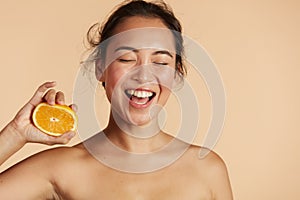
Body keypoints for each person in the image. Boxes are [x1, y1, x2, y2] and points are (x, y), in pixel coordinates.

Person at [0, 0, 233, 199]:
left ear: (176, 73)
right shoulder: (60, 168)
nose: (143, 75)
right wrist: (15, 134)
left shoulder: (207, 169)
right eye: (126, 59)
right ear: (100, 68)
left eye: (161, 62)